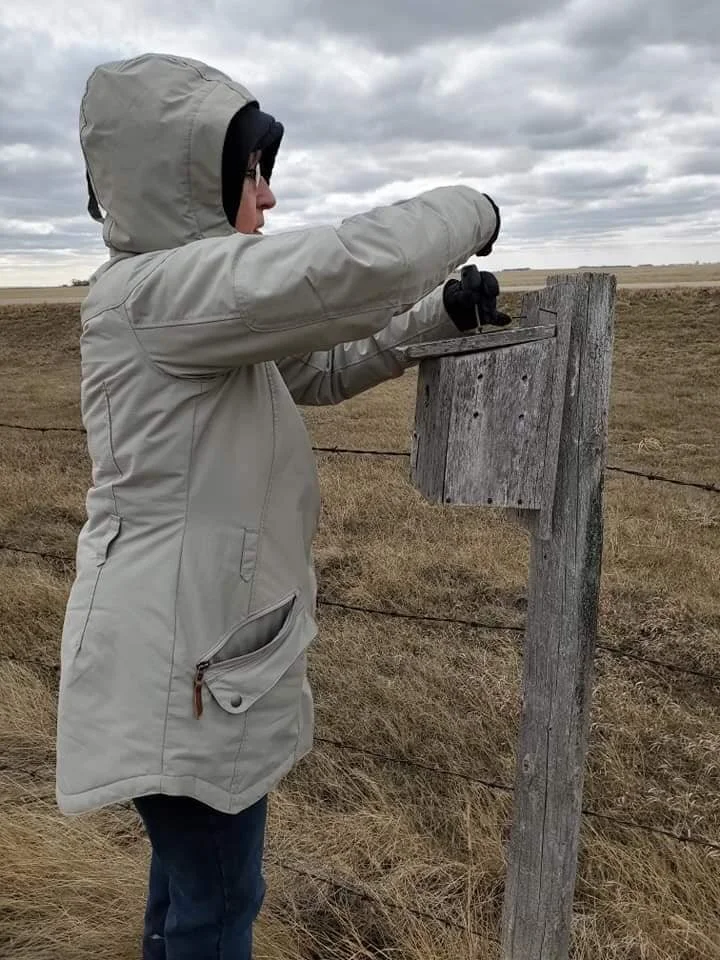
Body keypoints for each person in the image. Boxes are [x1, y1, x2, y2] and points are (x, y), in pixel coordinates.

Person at [56, 53, 509, 960]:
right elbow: (340, 273)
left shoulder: (191, 309)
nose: (264, 200)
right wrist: (476, 209)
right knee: (219, 907)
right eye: (248, 173)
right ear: (183, 180)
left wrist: (437, 318)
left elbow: (317, 364)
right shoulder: (156, 294)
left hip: (186, 654)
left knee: (192, 900)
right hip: (183, 667)